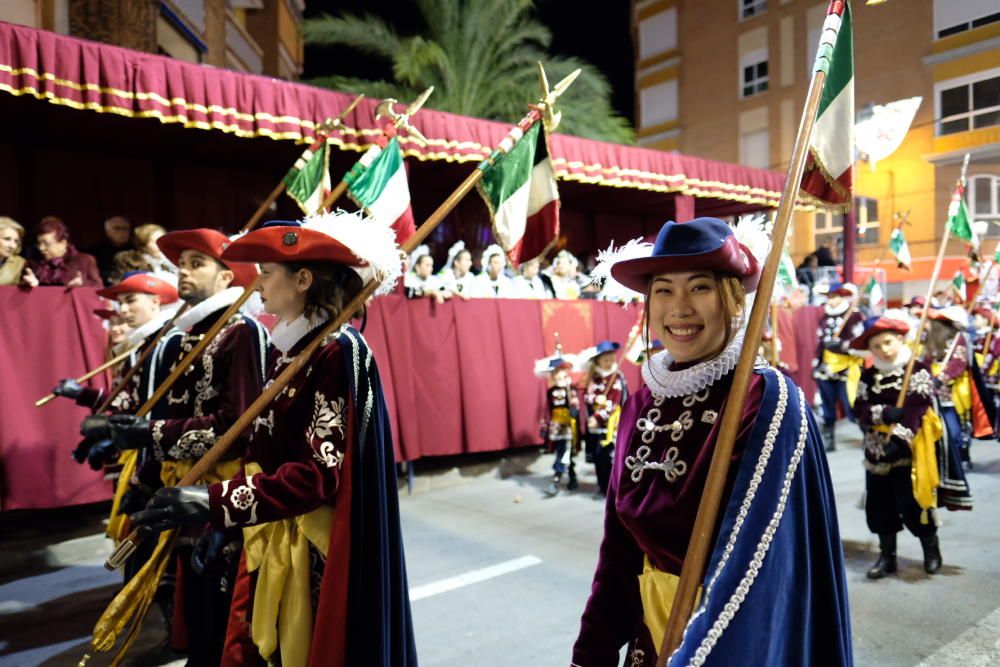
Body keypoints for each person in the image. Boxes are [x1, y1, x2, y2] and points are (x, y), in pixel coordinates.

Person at [131, 211, 417, 667]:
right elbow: (261, 448)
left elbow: (317, 476)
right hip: (271, 531)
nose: (256, 284)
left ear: (303, 278)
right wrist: (226, 525)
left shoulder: (337, 352)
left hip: (313, 551)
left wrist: (216, 502)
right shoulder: (291, 348)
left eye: (266, 273)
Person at [572, 217, 851, 667]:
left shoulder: (768, 402)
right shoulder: (641, 402)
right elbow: (619, 555)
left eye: (699, 287)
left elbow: (760, 573)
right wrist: (591, 656)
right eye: (663, 290)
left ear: (733, 300)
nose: (678, 307)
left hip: (737, 646)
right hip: (651, 647)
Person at [84, 228, 268, 665]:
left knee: (223, 610)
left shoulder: (240, 332)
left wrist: (148, 436)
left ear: (227, 279)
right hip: (178, 486)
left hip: (219, 495)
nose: (182, 271)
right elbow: (168, 411)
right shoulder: (181, 337)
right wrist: (147, 475)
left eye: (196, 263)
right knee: (193, 603)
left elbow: (237, 426)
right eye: (181, 263)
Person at [850, 317, 943, 578]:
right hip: (876, 451)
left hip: (909, 450)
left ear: (900, 339)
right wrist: (883, 412)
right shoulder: (869, 374)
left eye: (888, 342)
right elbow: (859, 406)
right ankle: (886, 556)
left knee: (913, 505)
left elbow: (917, 407)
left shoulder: (918, 369)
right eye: (877, 346)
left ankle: (931, 549)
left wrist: (900, 441)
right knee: (880, 506)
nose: (884, 350)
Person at [922, 307, 980, 479]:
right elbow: (925, 361)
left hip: (954, 390)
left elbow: (958, 363)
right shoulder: (929, 340)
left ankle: (962, 457)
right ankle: (947, 461)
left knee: (957, 429)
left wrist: (941, 378)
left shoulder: (957, 339)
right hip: (933, 390)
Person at [813, 282, 865, 452]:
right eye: (828, 297)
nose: (830, 300)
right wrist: (817, 362)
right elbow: (820, 344)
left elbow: (859, 341)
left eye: (834, 297)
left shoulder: (854, 316)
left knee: (850, 403)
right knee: (827, 405)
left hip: (847, 366)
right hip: (827, 366)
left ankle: (866, 433)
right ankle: (829, 438)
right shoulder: (824, 318)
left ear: (842, 297)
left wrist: (842, 345)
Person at [582, 341, 627, 497]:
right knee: (596, 456)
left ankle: (612, 488)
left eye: (611, 359)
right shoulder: (594, 377)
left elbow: (614, 403)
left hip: (610, 425)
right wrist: (594, 399)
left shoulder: (616, 378)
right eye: (605, 360)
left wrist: (597, 416)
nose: (609, 362)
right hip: (595, 425)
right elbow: (587, 396)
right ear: (598, 361)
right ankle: (602, 486)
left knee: (608, 457)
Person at [538, 357, 580, 496]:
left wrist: (574, 407)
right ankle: (569, 476)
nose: (558, 374)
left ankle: (558, 477)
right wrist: (545, 425)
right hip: (556, 425)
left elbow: (575, 405)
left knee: (566, 451)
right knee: (561, 450)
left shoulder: (571, 389)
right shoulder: (551, 391)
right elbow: (547, 409)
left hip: (568, 425)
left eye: (561, 371)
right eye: (555, 371)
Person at [24, 217, 102, 287]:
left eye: (46, 244)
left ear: (63, 243)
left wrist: (82, 285)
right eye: (39, 243)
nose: (41, 248)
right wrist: (30, 286)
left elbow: (98, 286)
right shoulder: (34, 263)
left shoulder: (84, 260)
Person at [113, 223, 178, 285]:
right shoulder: (127, 259)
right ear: (143, 245)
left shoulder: (168, 263)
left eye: (163, 242)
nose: (161, 246)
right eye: (156, 242)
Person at [88, 215, 132, 285]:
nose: (122, 232)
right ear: (107, 232)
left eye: (125, 228)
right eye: (117, 228)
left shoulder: (134, 249)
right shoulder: (96, 250)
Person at [0, 216, 27, 285]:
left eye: (16, 241)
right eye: (7, 239)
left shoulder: (19, 263)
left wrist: (31, 288)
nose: (13, 246)